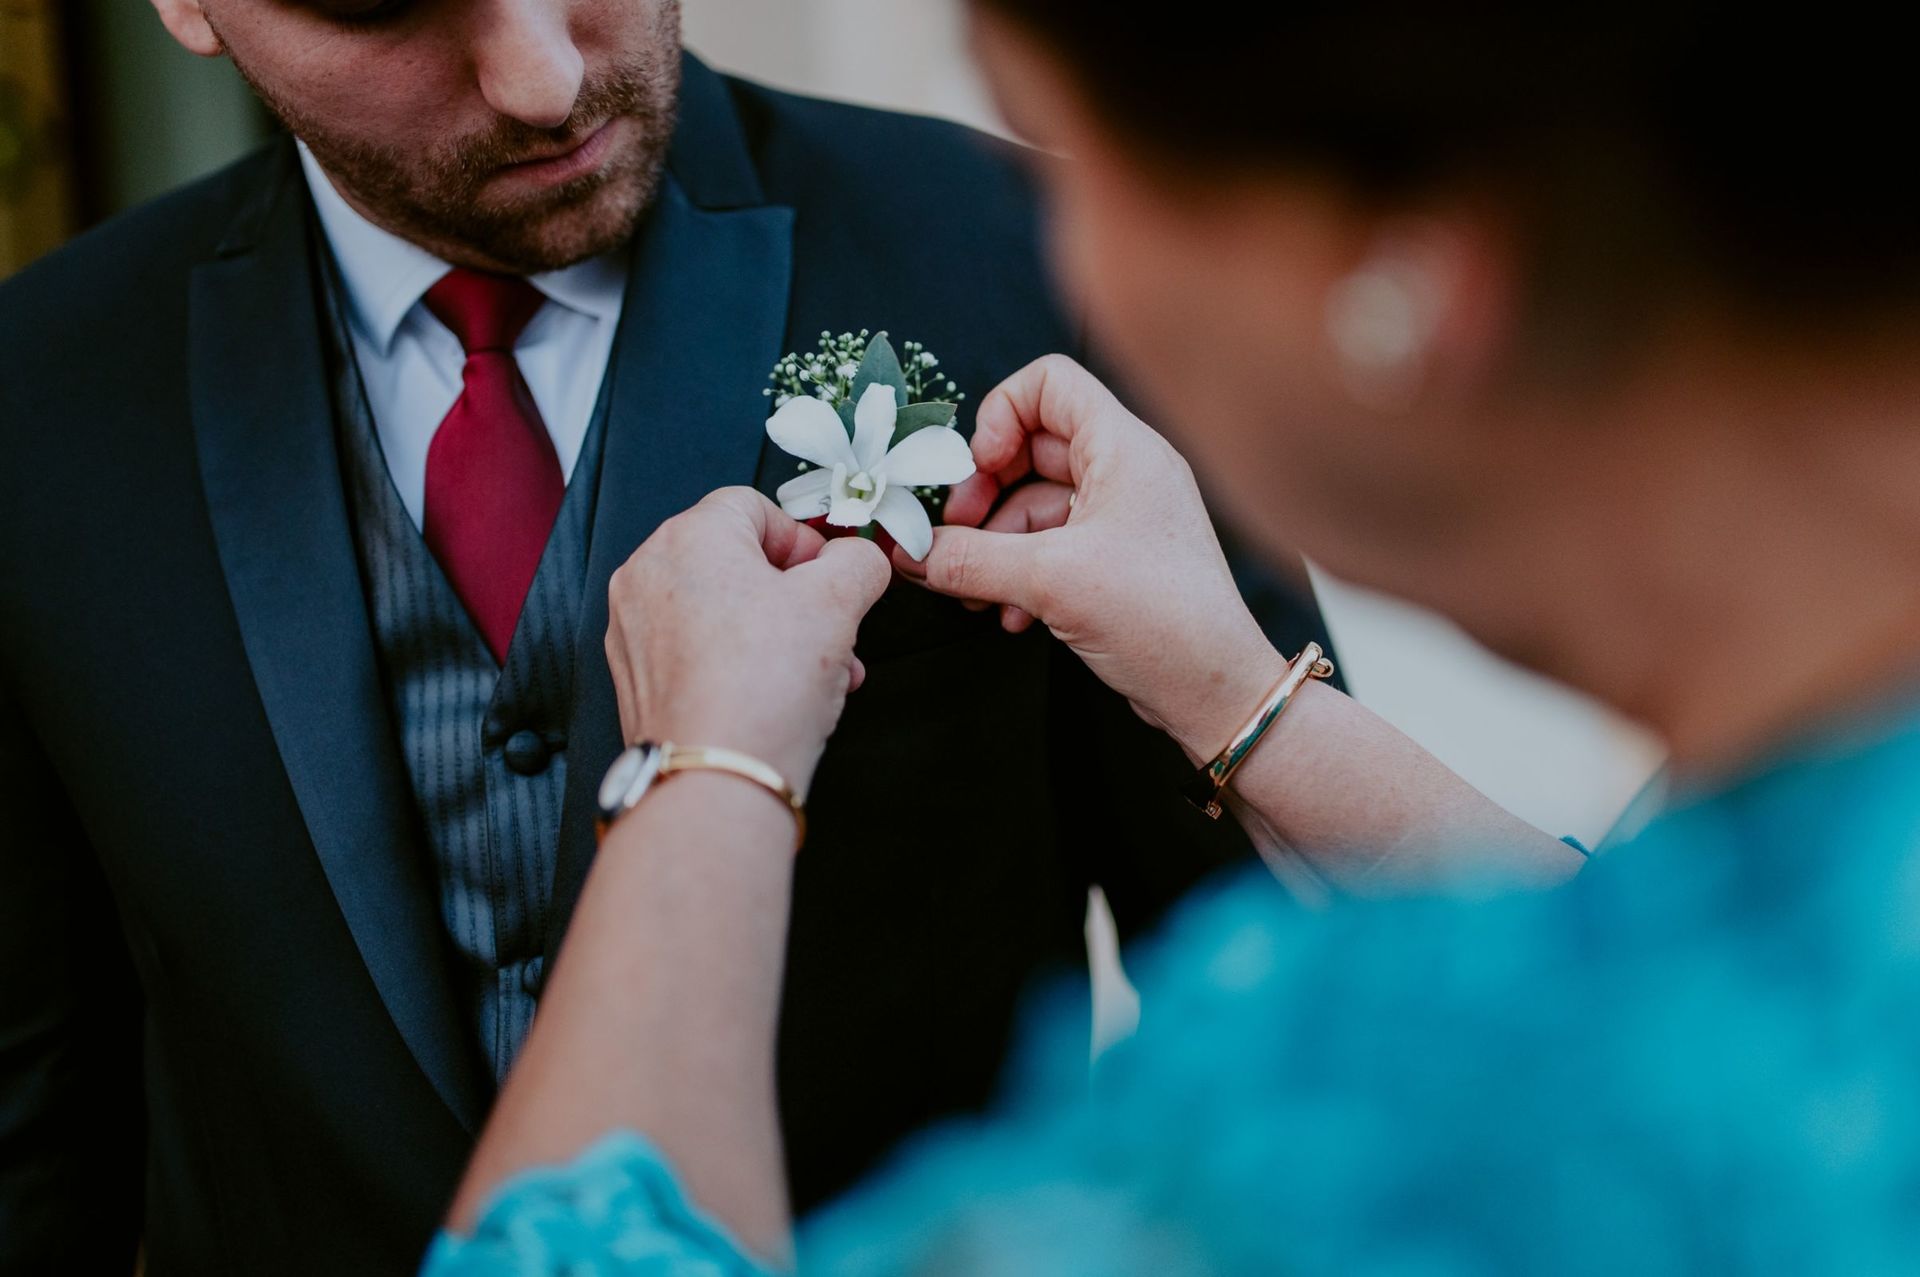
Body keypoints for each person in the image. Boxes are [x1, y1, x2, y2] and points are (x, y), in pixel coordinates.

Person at [418, 2, 1920, 1274]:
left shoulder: (1340, 1134)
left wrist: (707, 770)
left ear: (1410, 262)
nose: (1060, 262)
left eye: (1074, 164)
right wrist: (1235, 692)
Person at [0, 3, 1338, 1272]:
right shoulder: (41, 397)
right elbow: (41, 1143)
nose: (544, 77)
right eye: (380, 7)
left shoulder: (1032, 249)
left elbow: (1305, 1013)